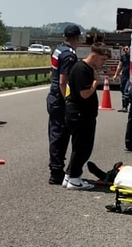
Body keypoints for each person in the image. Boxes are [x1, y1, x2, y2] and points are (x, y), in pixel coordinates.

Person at [64, 43, 109, 190]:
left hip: (82, 114)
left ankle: (69, 175)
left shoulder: (87, 68)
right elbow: (84, 94)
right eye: (102, 60)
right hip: (80, 114)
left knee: (79, 146)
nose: (103, 63)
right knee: (83, 148)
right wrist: (95, 83)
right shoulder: (81, 69)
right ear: (94, 56)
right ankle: (75, 179)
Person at [47, 24, 80, 185]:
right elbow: (63, 81)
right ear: (77, 38)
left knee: (55, 132)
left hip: (53, 96)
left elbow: (52, 73)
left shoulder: (58, 49)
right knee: (60, 135)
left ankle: (56, 168)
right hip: (60, 98)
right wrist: (67, 100)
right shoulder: (69, 55)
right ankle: (56, 170)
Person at [113, 45, 131, 112]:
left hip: (130, 76)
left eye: (126, 49)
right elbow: (119, 66)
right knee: (123, 90)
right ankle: (124, 107)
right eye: (124, 49)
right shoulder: (123, 57)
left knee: (126, 90)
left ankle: (126, 106)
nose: (125, 50)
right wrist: (116, 75)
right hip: (124, 75)